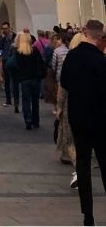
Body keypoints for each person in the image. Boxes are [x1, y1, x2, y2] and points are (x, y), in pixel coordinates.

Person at [60, 18, 106, 226]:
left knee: (83, 165)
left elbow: (65, 83)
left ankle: (88, 214)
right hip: (100, 118)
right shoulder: (101, 60)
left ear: (85, 32)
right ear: (100, 37)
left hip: (78, 117)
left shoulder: (73, 56)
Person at [55, 29, 87, 187]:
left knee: (70, 140)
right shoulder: (94, 58)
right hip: (89, 104)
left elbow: (63, 86)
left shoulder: (71, 59)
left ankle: (79, 171)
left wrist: (59, 106)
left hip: (71, 104)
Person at [12, 30, 46, 129]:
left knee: (26, 101)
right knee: (35, 101)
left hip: (24, 80)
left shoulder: (19, 53)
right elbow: (40, 64)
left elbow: (17, 66)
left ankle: (28, 119)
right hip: (35, 79)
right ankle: (36, 120)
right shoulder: (34, 51)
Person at [0, 21, 17, 111]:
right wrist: (2, 38)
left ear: (9, 28)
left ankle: (16, 101)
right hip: (5, 60)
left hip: (13, 59)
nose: (4, 30)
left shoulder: (14, 36)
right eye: (3, 28)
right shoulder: (2, 38)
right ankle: (8, 100)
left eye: (6, 28)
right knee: (7, 81)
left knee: (14, 80)